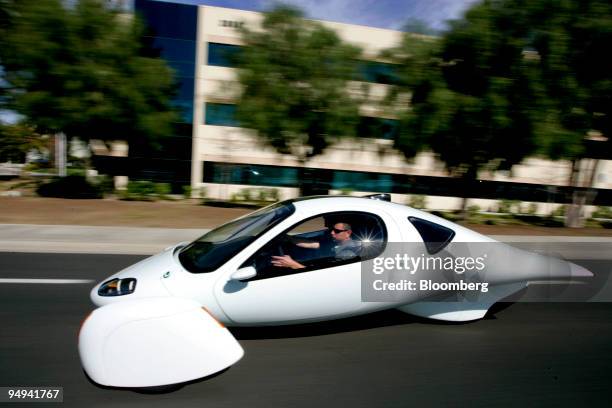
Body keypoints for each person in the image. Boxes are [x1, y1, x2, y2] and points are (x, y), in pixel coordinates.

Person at [271, 222, 360, 269]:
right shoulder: (335, 244)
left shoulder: (347, 253)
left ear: (348, 233)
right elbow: (312, 244)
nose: (332, 233)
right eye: (332, 230)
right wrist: (287, 238)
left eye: (337, 231)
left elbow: (327, 279)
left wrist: (293, 264)